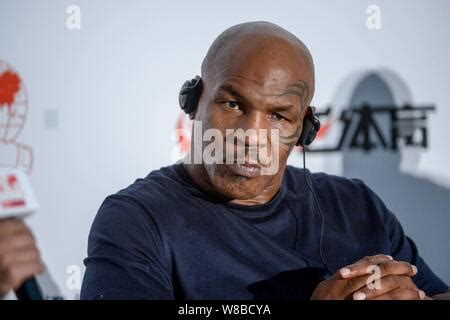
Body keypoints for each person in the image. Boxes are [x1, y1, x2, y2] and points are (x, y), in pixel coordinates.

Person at [80, 21, 449, 300]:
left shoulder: (355, 204)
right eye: (233, 104)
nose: (251, 136)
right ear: (193, 103)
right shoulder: (135, 219)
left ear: (305, 128)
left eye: (278, 116)